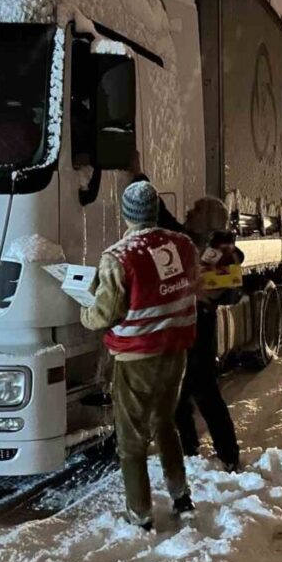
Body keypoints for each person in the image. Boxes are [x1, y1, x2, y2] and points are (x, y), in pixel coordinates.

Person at [80, 180, 199, 530]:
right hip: (175, 352)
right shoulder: (183, 245)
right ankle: (181, 497)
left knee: (131, 439)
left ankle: (140, 514)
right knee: (165, 423)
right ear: (156, 210)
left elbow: (103, 314)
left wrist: (85, 310)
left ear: (125, 213)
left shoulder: (118, 256)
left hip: (137, 358)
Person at [174, 197, 242, 473]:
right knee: (179, 393)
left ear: (210, 221)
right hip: (183, 327)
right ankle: (188, 449)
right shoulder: (189, 238)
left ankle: (229, 455)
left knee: (206, 394)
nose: (189, 211)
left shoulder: (225, 252)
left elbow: (221, 293)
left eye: (196, 209)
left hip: (200, 329)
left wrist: (195, 289)